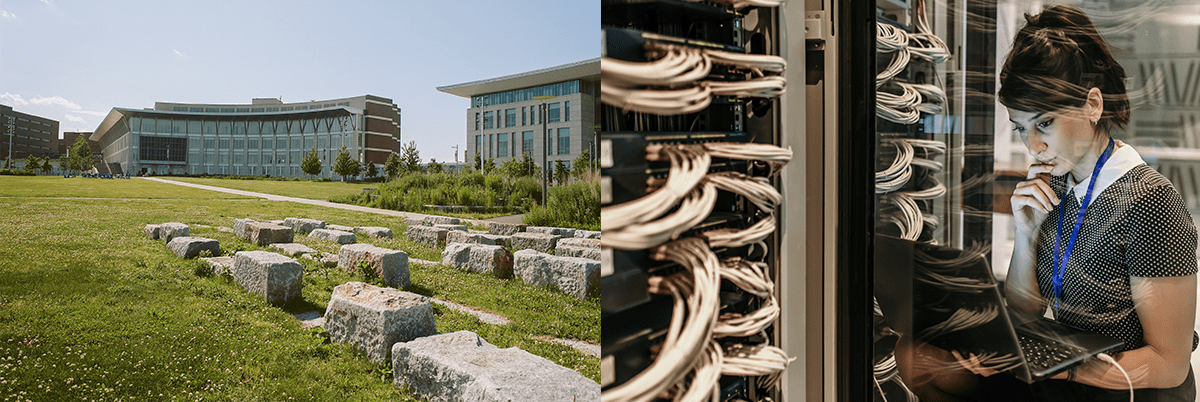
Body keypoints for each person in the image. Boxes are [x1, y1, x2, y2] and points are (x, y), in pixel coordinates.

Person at [990, 4, 1196, 401]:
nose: (1032, 146)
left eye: (1044, 123)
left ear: (1093, 105)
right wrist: (1026, 232)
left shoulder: (1150, 201)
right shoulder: (1055, 184)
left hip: (1131, 387)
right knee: (922, 361)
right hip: (1072, 371)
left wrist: (1059, 371)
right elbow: (1024, 312)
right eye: (1021, 129)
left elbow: (1170, 364)